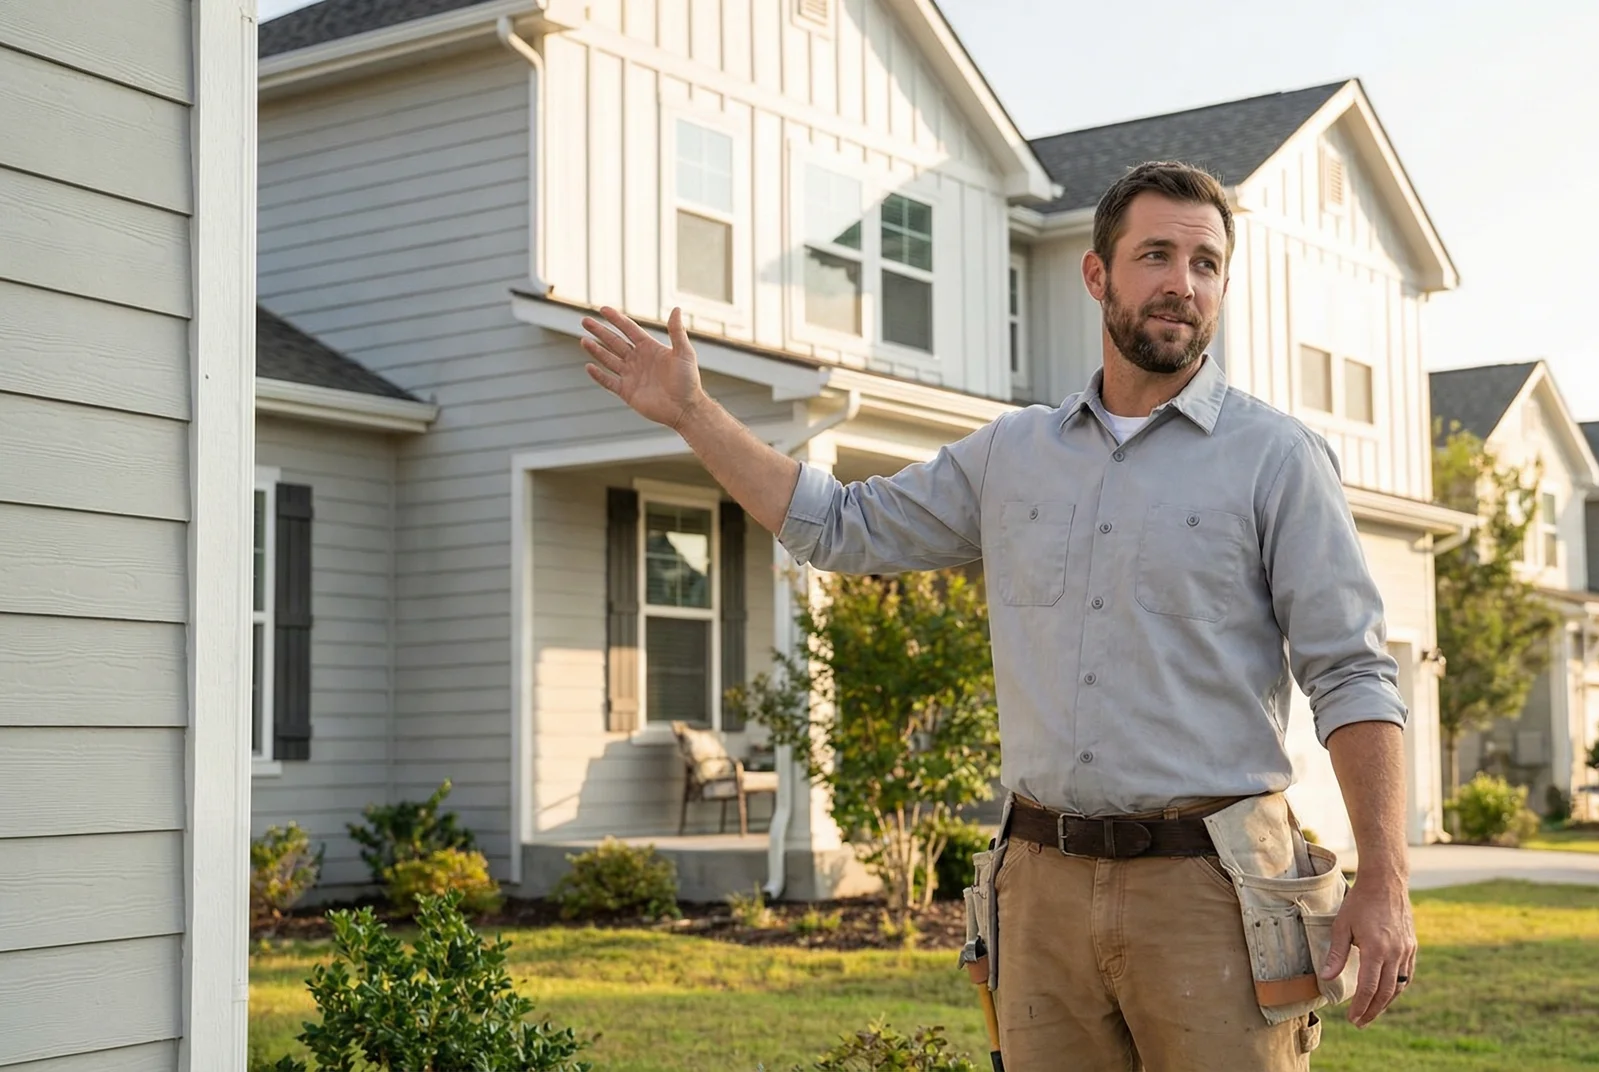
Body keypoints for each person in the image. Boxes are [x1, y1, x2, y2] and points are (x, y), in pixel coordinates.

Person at [580, 160, 1416, 1070]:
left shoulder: (1277, 459)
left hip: (1213, 889)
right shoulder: (1013, 454)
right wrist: (694, 414)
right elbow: (840, 527)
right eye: (1157, 255)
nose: (1184, 282)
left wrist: (1387, 877)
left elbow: (1351, 671)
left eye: (1207, 264)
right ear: (1097, 276)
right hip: (1039, 889)